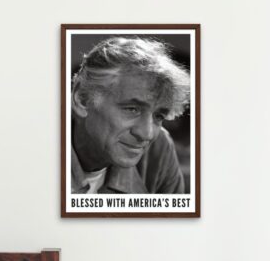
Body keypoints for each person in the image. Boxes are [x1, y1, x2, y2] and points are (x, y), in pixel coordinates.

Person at [71, 37, 190, 194]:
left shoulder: (158, 149)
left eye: (159, 116)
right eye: (132, 109)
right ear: (83, 99)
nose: (147, 134)